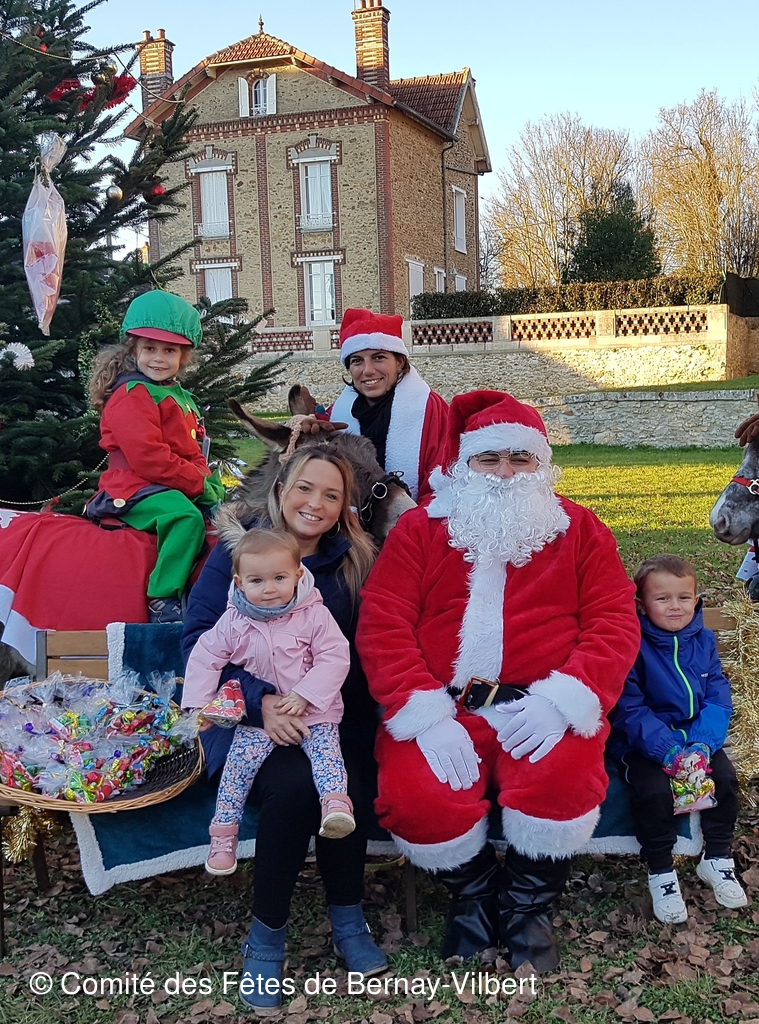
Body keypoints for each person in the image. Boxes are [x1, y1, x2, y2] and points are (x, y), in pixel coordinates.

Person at [356, 390, 641, 972]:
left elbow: (613, 622)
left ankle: (527, 906)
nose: (505, 472)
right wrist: (423, 712)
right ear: (466, 464)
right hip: (443, 709)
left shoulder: (581, 530)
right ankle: (476, 897)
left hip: (541, 706)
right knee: (417, 798)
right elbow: (384, 624)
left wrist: (563, 701)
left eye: (520, 458)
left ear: (542, 463)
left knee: (561, 783)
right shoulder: (420, 530)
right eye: (489, 459)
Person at [181, 445, 386, 1014]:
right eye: (304, 487)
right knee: (296, 790)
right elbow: (200, 644)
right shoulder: (239, 553)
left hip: (324, 715)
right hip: (243, 722)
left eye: (331, 495)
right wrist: (259, 702)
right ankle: (266, 936)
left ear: (345, 507)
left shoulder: (354, 561)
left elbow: (362, 650)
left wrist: (320, 702)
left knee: (349, 783)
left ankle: (347, 917)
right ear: (280, 489)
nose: (315, 503)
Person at [182, 529, 356, 876]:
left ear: (298, 575)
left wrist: (306, 693)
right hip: (259, 718)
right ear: (239, 582)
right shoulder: (234, 621)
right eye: (257, 581)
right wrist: (199, 705)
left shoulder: (313, 615)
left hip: (313, 711)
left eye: (279, 578)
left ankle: (335, 805)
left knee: (327, 754)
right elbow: (205, 658)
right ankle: (223, 836)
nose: (270, 589)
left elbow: (334, 656)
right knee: (237, 770)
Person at [609, 554, 747, 924]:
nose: (675, 606)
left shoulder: (703, 640)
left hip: (696, 737)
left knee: (725, 779)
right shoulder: (633, 644)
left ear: (696, 599)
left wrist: (701, 745)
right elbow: (628, 708)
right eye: (662, 598)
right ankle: (661, 870)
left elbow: (718, 698)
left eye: (684, 597)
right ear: (642, 604)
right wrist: (667, 750)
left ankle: (717, 857)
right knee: (653, 791)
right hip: (643, 741)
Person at [86, 290, 224, 623]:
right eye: (150, 349)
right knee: (185, 518)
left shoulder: (179, 396)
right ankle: (162, 598)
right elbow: (149, 457)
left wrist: (209, 482)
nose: (158, 359)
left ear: (183, 356)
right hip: (134, 485)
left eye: (169, 350)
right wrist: (196, 484)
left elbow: (193, 448)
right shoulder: (132, 395)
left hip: (167, 482)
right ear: (134, 350)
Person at [299, 308, 448, 502]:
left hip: (416, 516)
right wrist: (305, 430)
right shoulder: (335, 415)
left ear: (400, 362)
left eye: (379, 357)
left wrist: (408, 518)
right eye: (357, 361)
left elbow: (442, 484)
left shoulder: (431, 410)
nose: (368, 370)